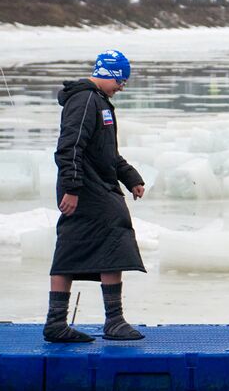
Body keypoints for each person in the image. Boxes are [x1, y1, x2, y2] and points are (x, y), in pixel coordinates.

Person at [45, 50, 146, 343]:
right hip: (86, 189)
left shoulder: (98, 100)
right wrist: (72, 189)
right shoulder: (86, 99)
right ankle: (113, 321)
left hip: (93, 185)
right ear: (111, 74)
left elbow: (106, 153)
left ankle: (57, 323)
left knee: (72, 248)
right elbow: (69, 147)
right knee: (115, 236)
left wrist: (130, 178)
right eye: (121, 81)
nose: (122, 87)